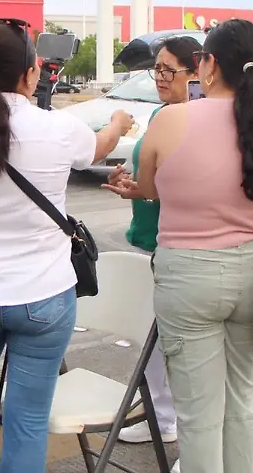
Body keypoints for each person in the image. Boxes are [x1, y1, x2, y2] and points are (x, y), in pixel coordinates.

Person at [0, 21, 135, 473]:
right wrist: (117, 122)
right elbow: (99, 148)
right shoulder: (58, 127)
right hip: (43, 297)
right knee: (27, 421)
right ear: (32, 72)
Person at [134, 19, 253, 473]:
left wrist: (136, 189)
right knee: (243, 401)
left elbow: (148, 188)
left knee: (198, 415)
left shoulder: (172, 119)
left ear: (209, 65)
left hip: (188, 275)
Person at [101, 35, 202, 471]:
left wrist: (145, 189)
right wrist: (134, 189)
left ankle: (194, 449)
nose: (159, 78)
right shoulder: (164, 114)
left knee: (185, 352)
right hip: (153, 236)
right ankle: (161, 418)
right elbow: (157, 183)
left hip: (184, 248)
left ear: (198, 72)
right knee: (156, 344)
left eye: (168, 70)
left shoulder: (200, 120)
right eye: (155, 69)